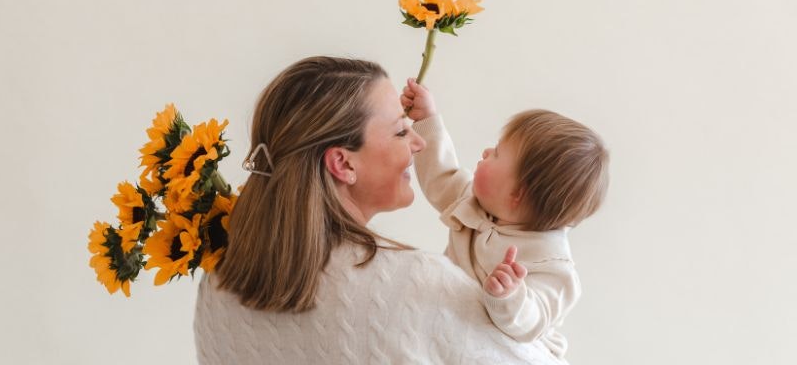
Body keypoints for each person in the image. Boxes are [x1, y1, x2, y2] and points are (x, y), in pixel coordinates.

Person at [193, 56, 566, 364]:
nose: (419, 143)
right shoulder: (415, 286)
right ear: (343, 164)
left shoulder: (220, 278)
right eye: (401, 132)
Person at [400, 78, 610, 360]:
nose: (486, 152)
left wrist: (510, 296)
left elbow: (534, 320)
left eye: (497, 153)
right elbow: (441, 173)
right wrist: (427, 119)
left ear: (517, 194)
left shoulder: (551, 264)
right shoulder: (474, 203)